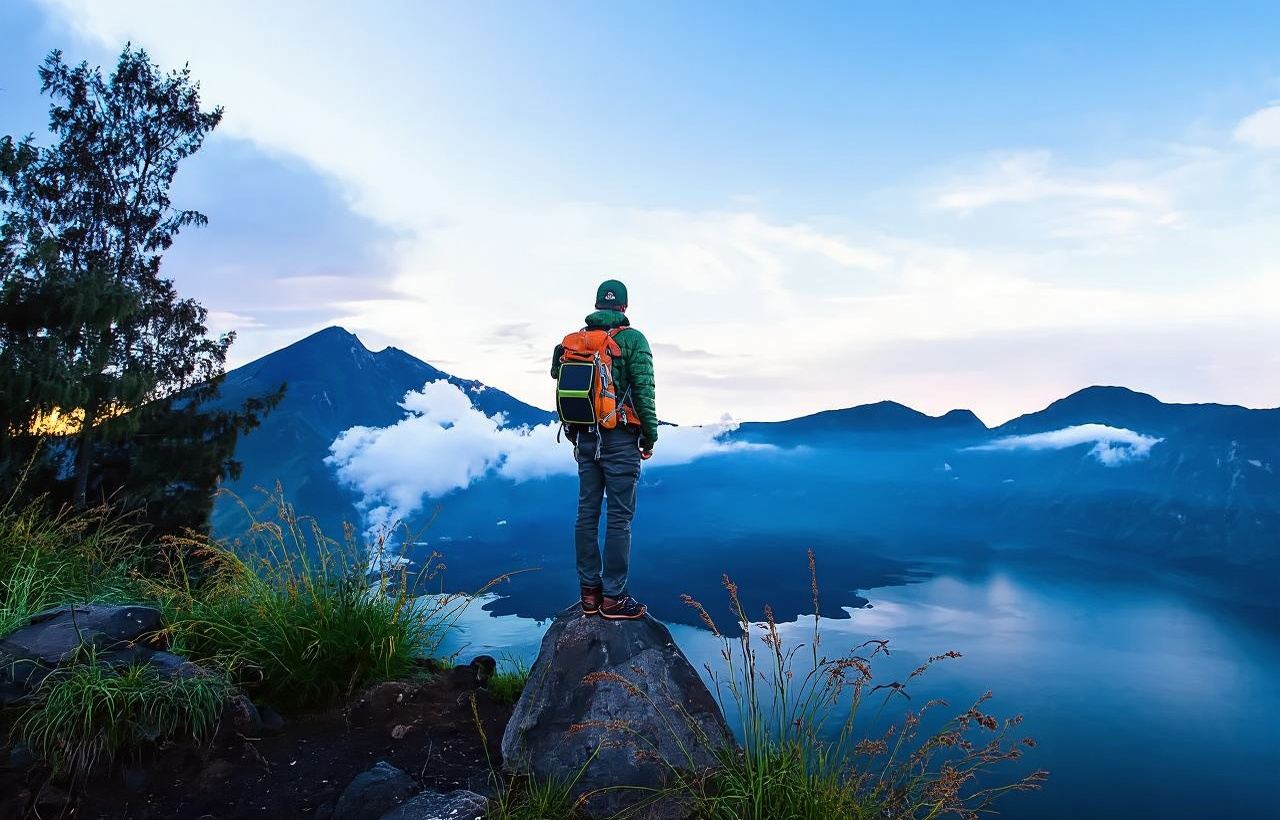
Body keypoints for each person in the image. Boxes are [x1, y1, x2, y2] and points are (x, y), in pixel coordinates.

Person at [550, 279, 658, 620]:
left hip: (584, 437)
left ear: (597, 305)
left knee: (586, 514)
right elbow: (644, 391)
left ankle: (589, 596)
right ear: (624, 307)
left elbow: (557, 374)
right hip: (620, 437)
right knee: (620, 519)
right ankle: (613, 599)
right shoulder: (632, 340)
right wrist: (649, 437)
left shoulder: (574, 342)